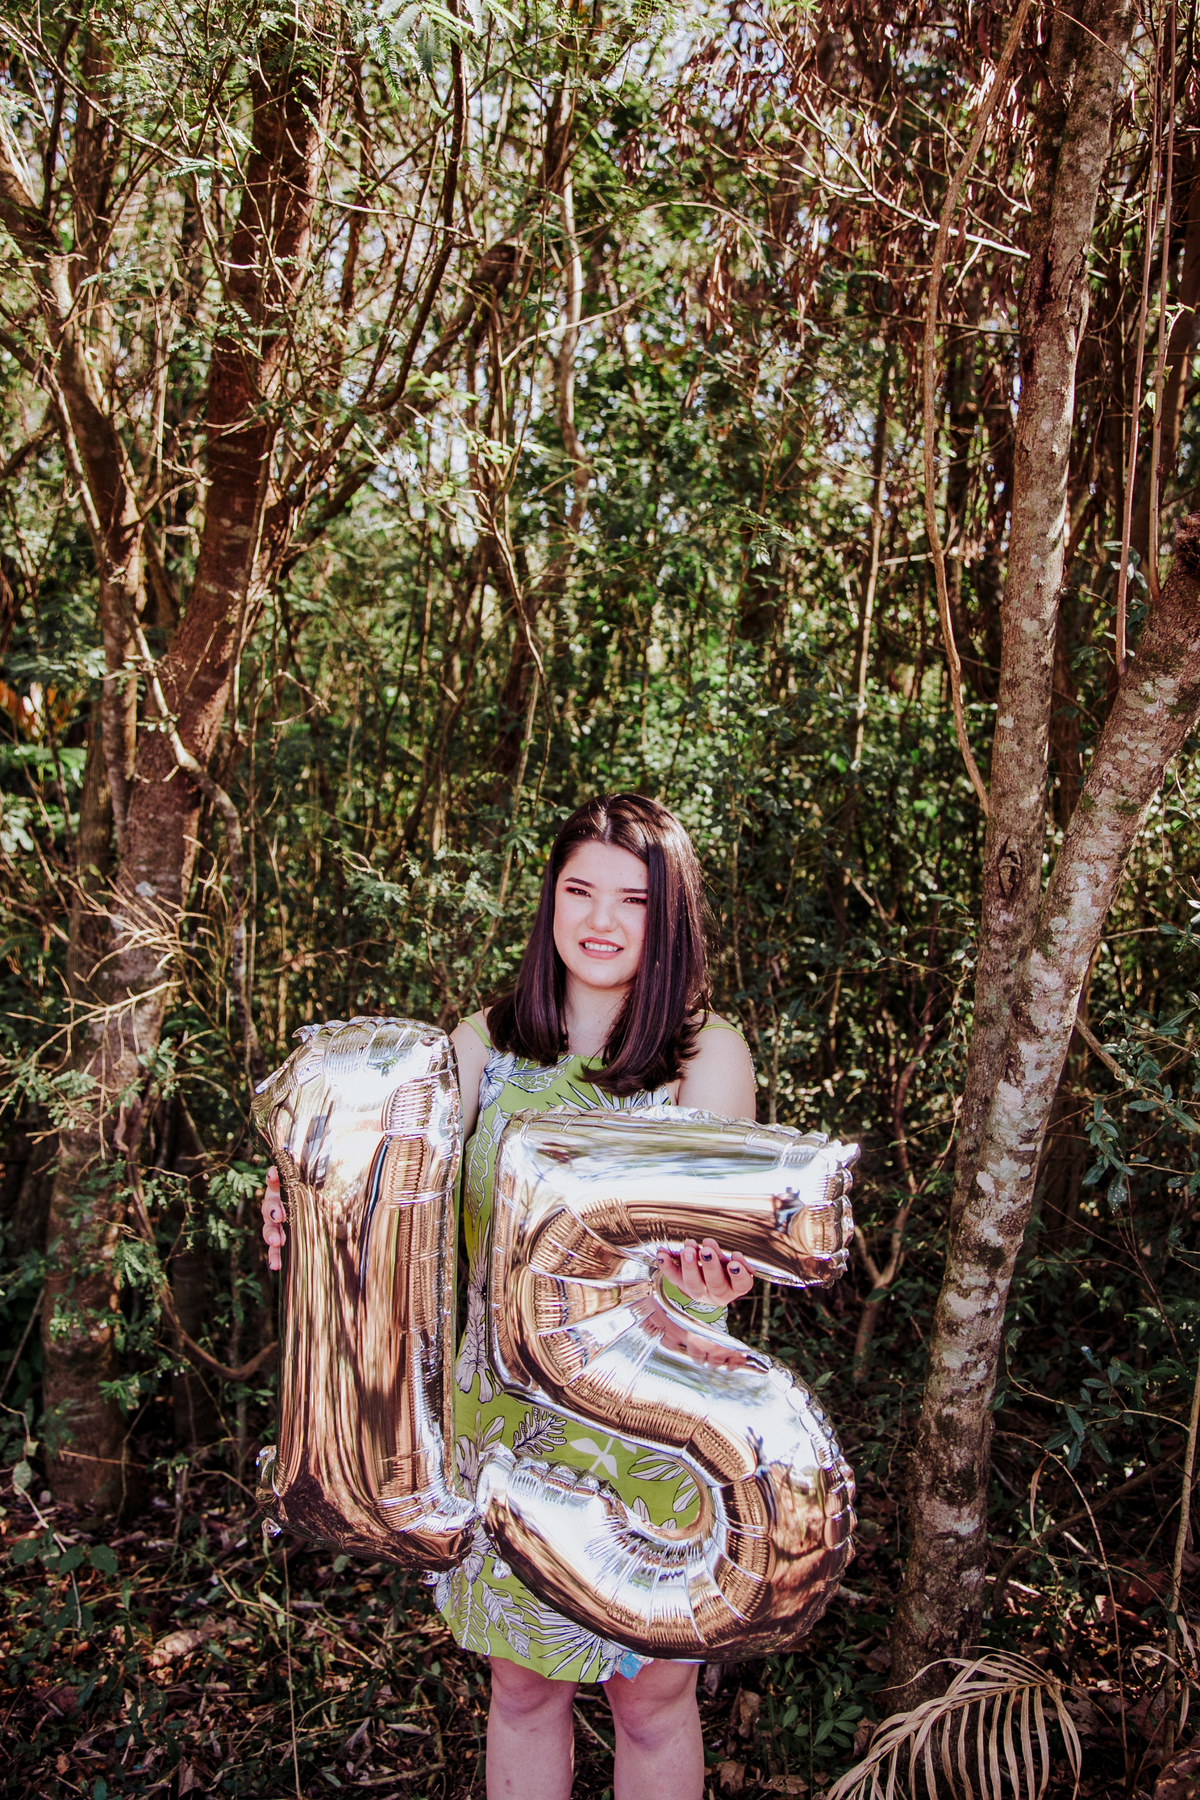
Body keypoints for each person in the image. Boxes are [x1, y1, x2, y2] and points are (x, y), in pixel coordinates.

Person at [261, 794, 757, 1800]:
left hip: (651, 1423)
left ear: (672, 917)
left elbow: (718, 1243)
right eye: (579, 891)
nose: (602, 920)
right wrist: (304, 1202)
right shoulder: (483, 1044)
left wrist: (715, 1277)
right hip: (504, 1422)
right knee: (522, 1691)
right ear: (550, 902)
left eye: (634, 900)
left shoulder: (707, 1055)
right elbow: (382, 1173)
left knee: (652, 1704)